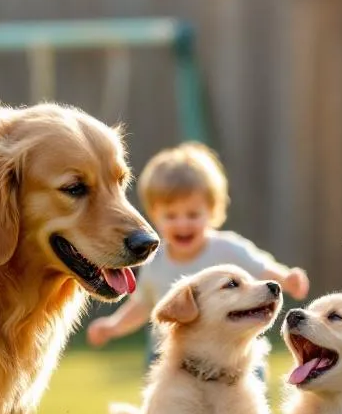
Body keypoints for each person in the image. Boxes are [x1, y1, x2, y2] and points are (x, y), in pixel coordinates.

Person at [86, 142, 309, 375]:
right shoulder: (155, 261)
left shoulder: (227, 249)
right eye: (171, 215)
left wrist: (286, 278)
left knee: (243, 397)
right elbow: (142, 305)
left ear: (212, 211)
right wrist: (113, 326)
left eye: (193, 214)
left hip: (232, 353)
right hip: (177, 358)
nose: (182, 223)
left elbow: (262, 270)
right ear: (154, 216)